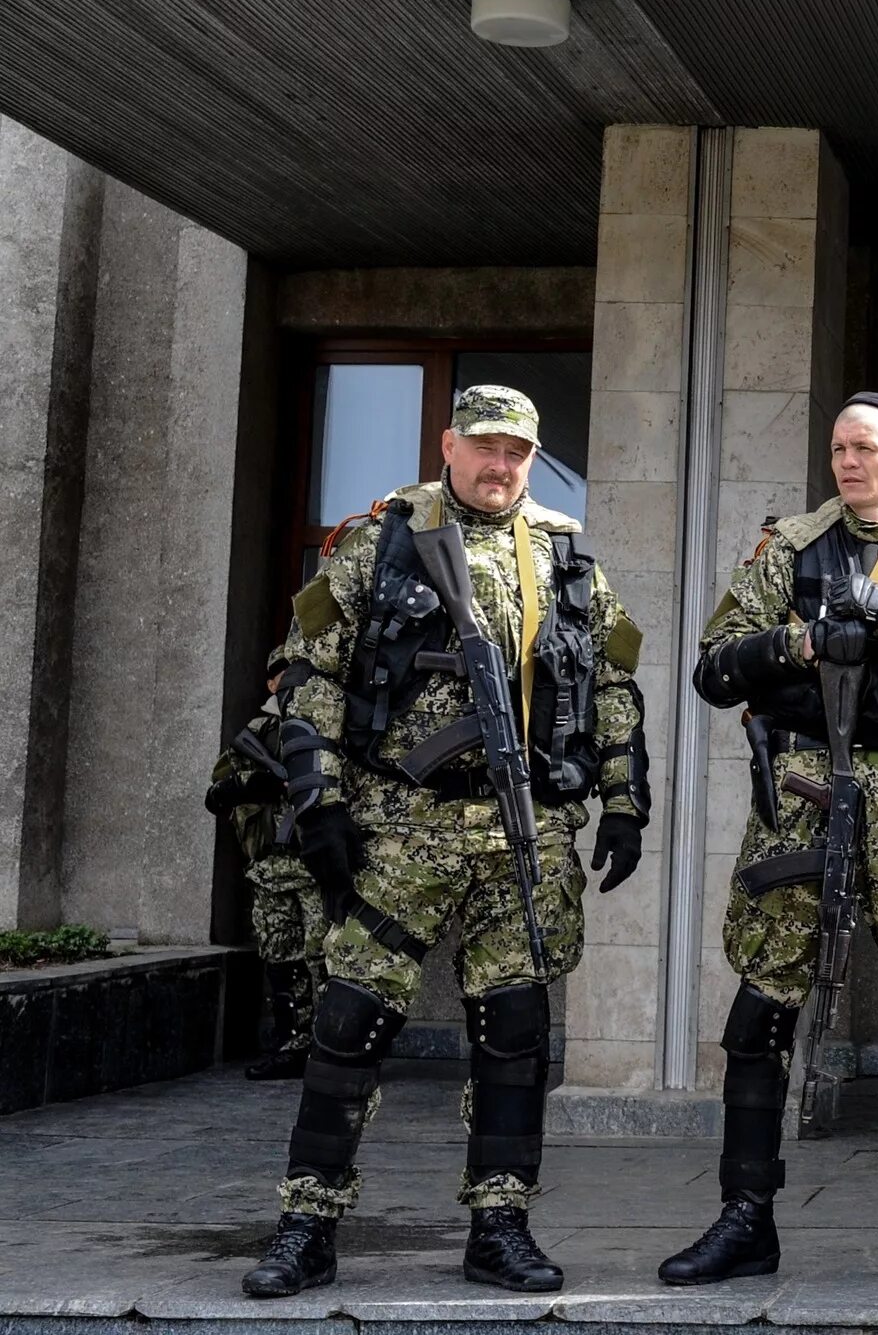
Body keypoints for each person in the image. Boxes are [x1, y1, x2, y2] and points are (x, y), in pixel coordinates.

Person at [241, 387, 650, 1298]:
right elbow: (310, 673)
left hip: (526, 836)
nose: (500, 466)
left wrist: (625, 798)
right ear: (449, 443)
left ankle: (499, 1224)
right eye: (485, 447)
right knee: (347, 1025)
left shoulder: (566, 552)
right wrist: (320, 803)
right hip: (399, 828)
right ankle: (307, 1223)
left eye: (518, 452)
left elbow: (612, 686)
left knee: (514, 1033)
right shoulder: (381, 539)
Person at [658, 392, 878, 1295]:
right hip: (803, 787)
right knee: (761, 1010)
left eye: (864, 448)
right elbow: (713, 664)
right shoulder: (790, 548)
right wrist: (803, 637)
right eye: (836, 448)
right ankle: (746, 1217)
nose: (847, 462)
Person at [203, 651, 330, 1082]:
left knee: (325, 959)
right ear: (272, 683)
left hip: (320, 870)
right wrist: (247, 785)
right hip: (272, 871)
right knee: (282, 960)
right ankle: (292, 1044)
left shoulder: (330, 726)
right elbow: (215, 794)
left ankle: (333, 1049)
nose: (292, 682)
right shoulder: (259, 732)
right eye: (284, 675)